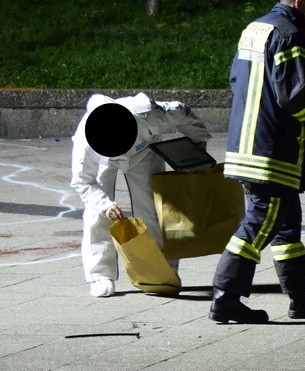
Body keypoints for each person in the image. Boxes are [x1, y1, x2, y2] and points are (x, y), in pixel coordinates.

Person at [210, 0, 305, 324]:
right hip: (271, 152)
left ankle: (302, 299)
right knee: (260, 223)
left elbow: (234, 80)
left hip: (247, 143)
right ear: (301, 3)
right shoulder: (289, 35)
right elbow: (293, 99)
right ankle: (224, 298)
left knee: (286, 227)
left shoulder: (254, 28)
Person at [70, 92, 211, 297]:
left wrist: (198, 145)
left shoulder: (149, 114)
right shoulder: (86, 141)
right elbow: (82, 181)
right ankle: (99, 275)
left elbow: (182, 111)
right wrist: (105, 204)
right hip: (103, 161)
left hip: (143, 152)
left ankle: (163, 271)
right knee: (96, 216)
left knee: (155, 208)